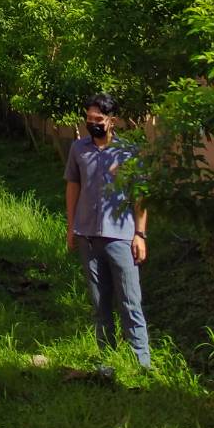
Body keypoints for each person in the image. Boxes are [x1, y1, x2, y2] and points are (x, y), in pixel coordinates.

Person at [64, 92, 151, 369]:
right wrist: (71, 227)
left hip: (121, 236)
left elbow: (140, 194)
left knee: (130, 301)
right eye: (89, 119)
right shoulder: (78, 149)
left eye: (98, 119)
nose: (93, 123)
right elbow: (73, 187)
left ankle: (142, 363)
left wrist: (140, 234)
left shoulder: (128, 152)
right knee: (100, 304)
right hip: (88, 235)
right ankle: (107, 359)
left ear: (112, 121)